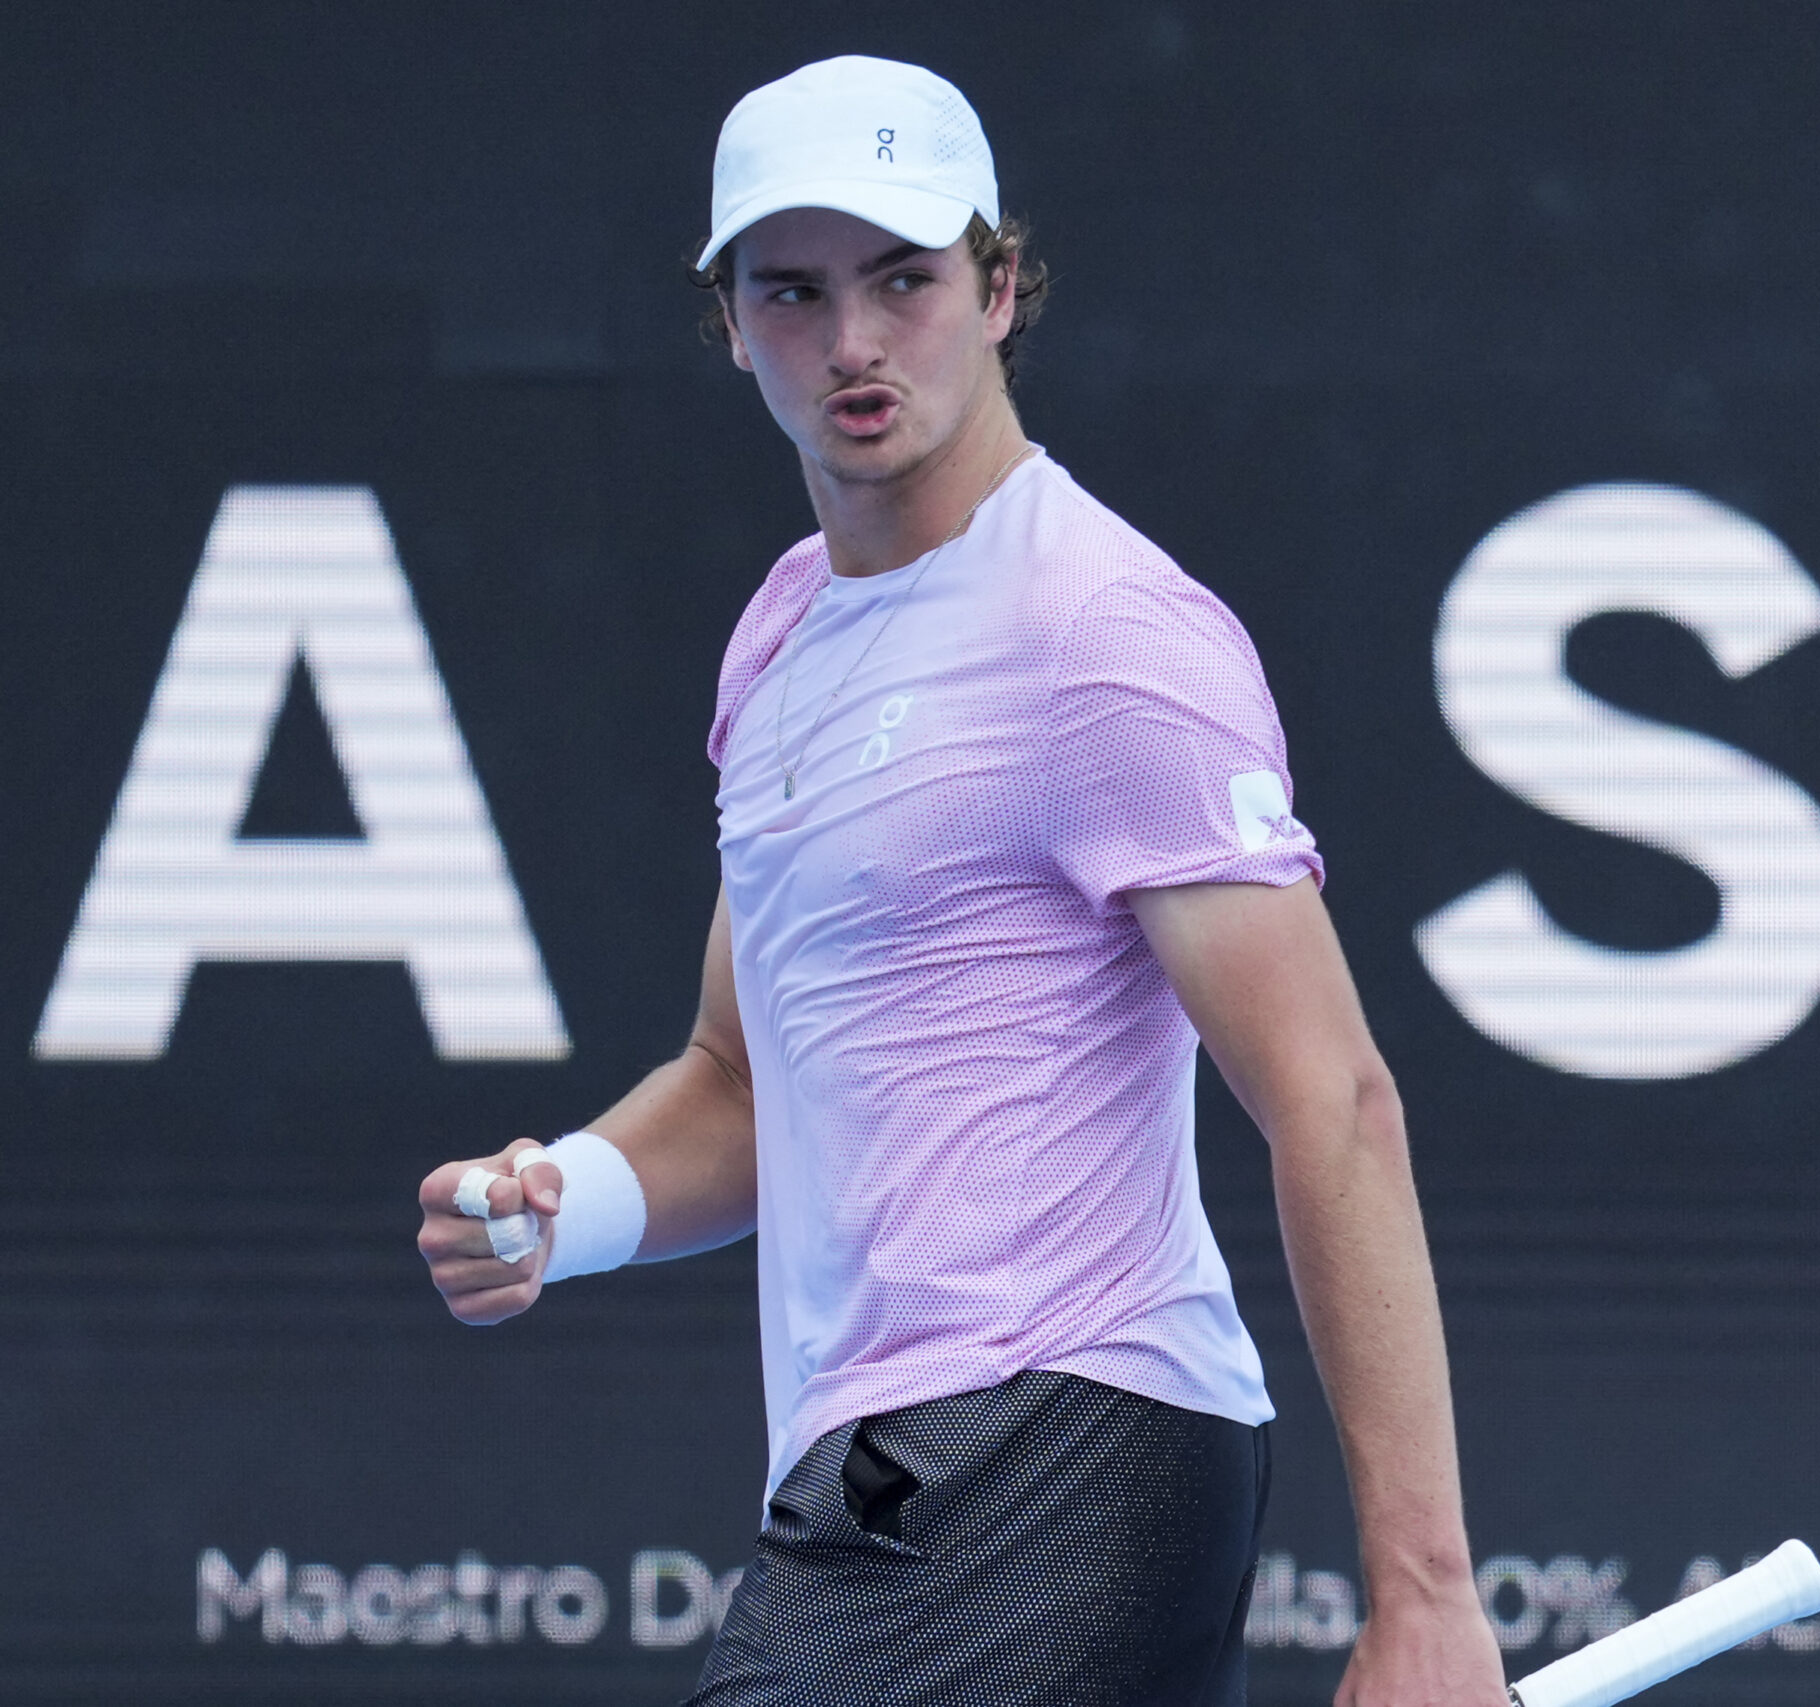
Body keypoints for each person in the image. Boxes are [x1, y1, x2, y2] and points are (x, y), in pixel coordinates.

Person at [415, 54, 1505, 1707]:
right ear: (732, 325)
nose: (852, 341)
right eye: (793, 292)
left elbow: (1333, 1100)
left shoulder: (1102, 629)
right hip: (888, 1470)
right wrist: (571, 1202)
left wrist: (1425, 1596)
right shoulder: (782, 638)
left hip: (1063, 1435)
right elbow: (745, 1082)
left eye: (904, 280)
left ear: (999, 290)